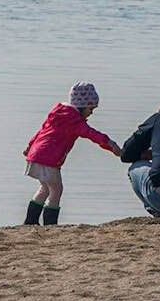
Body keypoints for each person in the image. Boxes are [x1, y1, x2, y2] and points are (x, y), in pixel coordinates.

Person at [21, 82, 122, 225]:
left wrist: (30, 146)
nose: (91, 112)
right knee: (56, 190)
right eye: (91, 108)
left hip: (36, 155)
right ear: (81, 106)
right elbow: (93, 135)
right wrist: (112, 145)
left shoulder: (58, 114)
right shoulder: (74, 122)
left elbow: (42, 131)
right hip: (48, 159)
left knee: (45, 188)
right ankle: (50, 223)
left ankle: (30, 221)